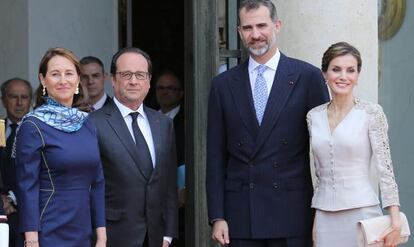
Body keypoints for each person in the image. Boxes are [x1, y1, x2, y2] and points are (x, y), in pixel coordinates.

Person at [206, 0, 330, 246]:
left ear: (277, 25)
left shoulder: (308, 77)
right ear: (239, 32)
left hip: (291, 212)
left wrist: (323, 212)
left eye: (261, 26)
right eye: (247, 28)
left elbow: (325, 152)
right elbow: (216, 156)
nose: (255, 35)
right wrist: (217, 215)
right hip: (240, 214)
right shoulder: (223, 85)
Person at [306, 42, 402, 247]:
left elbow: (385, 170)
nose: (343, 76)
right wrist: (316, 219)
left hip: (363, 213)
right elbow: (319, 173)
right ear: (324, 73)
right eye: (336, 69)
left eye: (351, 70)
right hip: (324, 217)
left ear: (357, 76)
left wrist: (395, 219)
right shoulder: (313, 116)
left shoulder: (371, 113)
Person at [15, 47, 106, 247]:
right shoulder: (33, 125)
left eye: (69, 73)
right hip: (48, 232)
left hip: (84, 232)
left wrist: (101, 235)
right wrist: (31, 240)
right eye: (55, 74)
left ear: (78, 80)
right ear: (43, 80)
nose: (63, 80)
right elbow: (27, 187)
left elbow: (97, 182)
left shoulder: (87, 123)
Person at [89, 47, 178, 247]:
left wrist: (169, 234)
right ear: (113, 80)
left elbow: (169, 183)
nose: (133, 81)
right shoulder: (93, 123)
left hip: (156, 237)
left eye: (140, 75)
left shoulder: (163, 123)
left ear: (148, 81)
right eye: (126, 74)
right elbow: (88, 185)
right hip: (112, 236)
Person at [0, 78, 32, 247]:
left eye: (24, 97)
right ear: (3, 100)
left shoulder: (38, 131)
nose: (19, 103)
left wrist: (13, 199)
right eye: (13, 97)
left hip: (27, 218)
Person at [155, 71, 185, 247]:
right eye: (161, 88)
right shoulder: (148, 117)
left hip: (179, 197)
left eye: (171, 88)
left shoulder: (189, 120)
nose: (165, 92)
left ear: (181, 93)